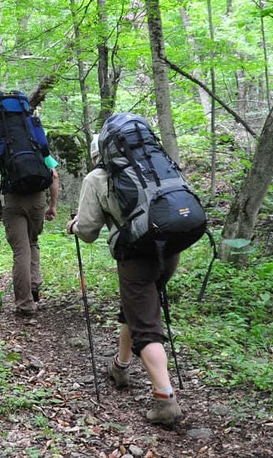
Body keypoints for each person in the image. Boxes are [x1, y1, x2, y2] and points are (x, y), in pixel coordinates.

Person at [66, 136, 183, 427]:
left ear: (98, 154)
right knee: (135, 306)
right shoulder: (154, 165)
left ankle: (165, 400)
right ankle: (120, 366)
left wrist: (74, 226)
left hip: (136, 255)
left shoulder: (97, 178)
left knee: (145, 324)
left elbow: (89, 230)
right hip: (171, 248)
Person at [0, 151, 59, 317]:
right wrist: (53, 205)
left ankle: (25, 304)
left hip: (12, 200)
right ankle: (34, 284)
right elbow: (54, 175)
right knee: (32, 241)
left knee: (20, 250)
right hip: (37, 200)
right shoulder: (35, 144)